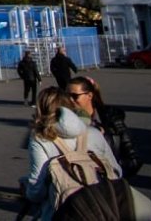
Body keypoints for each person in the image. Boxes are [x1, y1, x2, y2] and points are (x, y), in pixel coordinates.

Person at [23, 86, 121, 221]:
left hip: (65, 212)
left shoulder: (41, 139)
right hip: (102, 208)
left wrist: (27, 190)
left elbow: (37, 189)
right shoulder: (94, 133)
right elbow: (116, 172)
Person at [67, 76, 141, 177]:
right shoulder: (67, 123)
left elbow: (133, 159)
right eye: (67, 96)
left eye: (74, 96)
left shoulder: (111, 119)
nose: (70, 100)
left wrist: (112, 172)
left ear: (89, 95)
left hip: (113, 182)